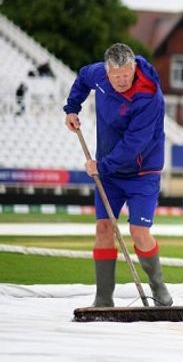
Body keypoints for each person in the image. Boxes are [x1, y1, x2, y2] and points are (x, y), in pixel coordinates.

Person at [64, 43, 172, 307]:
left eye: (126, 75)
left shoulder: (149, 97)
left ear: (134, 68)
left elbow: (135, 143)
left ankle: (158, 288)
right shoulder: (98, 74)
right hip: (110, 173)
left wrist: (101, 166)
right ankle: (103, 300)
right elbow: (81, 78)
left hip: (142, 172)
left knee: (139, 231)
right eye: (116, 76)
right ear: (107, 71)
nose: (122, 81)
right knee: (103, 228)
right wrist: (71, 108)